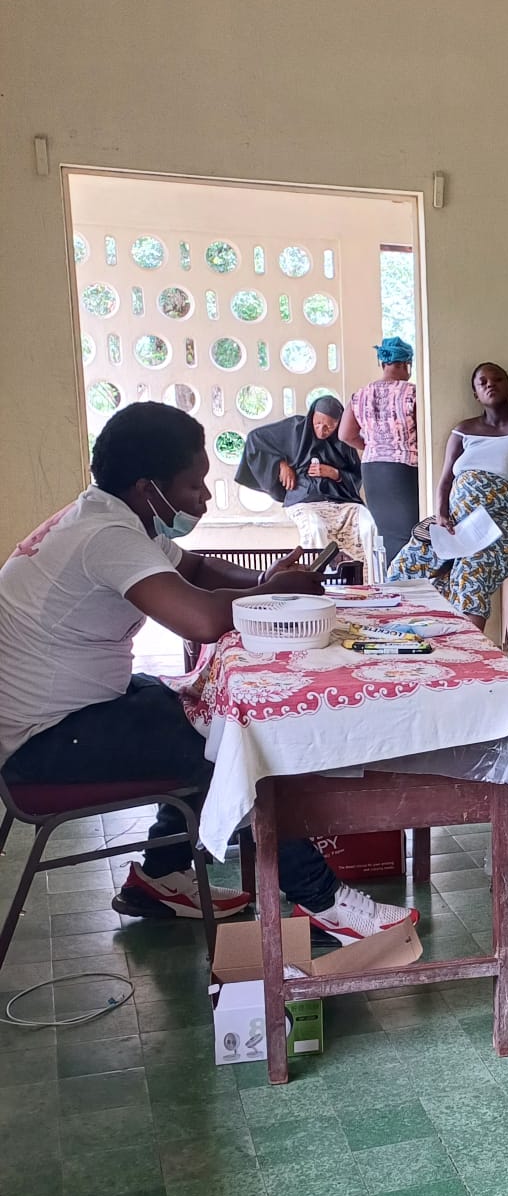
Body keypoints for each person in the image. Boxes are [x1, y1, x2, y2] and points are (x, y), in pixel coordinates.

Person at [0, 404, 418, 944]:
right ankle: (324, 903)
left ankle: (157, 877)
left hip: (71, 711)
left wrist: (266, 579)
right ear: (148, 486)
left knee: (197, 714)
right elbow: (201, 620)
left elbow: (193, 568)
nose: (205, 497)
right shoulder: (106, 536)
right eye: (195, 484)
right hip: (43, 742)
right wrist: (275, 594)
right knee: (234, 751)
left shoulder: (114, 514)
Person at [389, 363, 508, 630]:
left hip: (507, 525)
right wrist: (441, 516)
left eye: (498, 379)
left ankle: (469, 656)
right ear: (475, 394)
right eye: (483, 382)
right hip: (459, 525)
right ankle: (410, 638)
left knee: (470, 572)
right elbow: (445, 480)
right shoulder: (463, 431)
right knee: (404, 566)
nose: (491, 384)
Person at [236, 400, 370, 563]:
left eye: (329, 426)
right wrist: (281, 464)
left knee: (368, 523)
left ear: (338, 424)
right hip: (305, 499)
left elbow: (356, 477)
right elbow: (255, 440)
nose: (322, 430)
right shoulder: (295, 429)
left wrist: (334, 473)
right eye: (318, 423)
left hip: (340, 502)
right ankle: (322, 580)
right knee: (315, 528)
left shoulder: (343, 440)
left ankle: (368, 579)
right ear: (312, 416)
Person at [339, 336, 419, 565]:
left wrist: (372, 446)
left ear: (383, 363)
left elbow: (345, 434)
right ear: (407, 364)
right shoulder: (411, 393)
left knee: (387, 535)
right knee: (409, 535)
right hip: (403, 468)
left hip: (372, 469)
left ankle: (391, 588)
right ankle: (408, 589)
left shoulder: (360, 394)